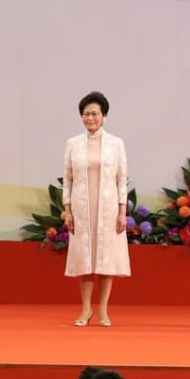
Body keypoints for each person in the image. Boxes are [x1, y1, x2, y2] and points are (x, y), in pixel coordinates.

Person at [62, 91, 129, 327]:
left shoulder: (116, 144)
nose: (90, 118)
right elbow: (67, 179)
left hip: (108, 208)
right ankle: (85, 309)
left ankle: (103, 310)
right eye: (86, 114)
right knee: (84, 259)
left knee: (106, 259)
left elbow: (122, 179)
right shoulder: (73, 144)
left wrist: (122, 211)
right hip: (81, 207)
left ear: (104, 116)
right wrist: (68, 209)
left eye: (95, 113)